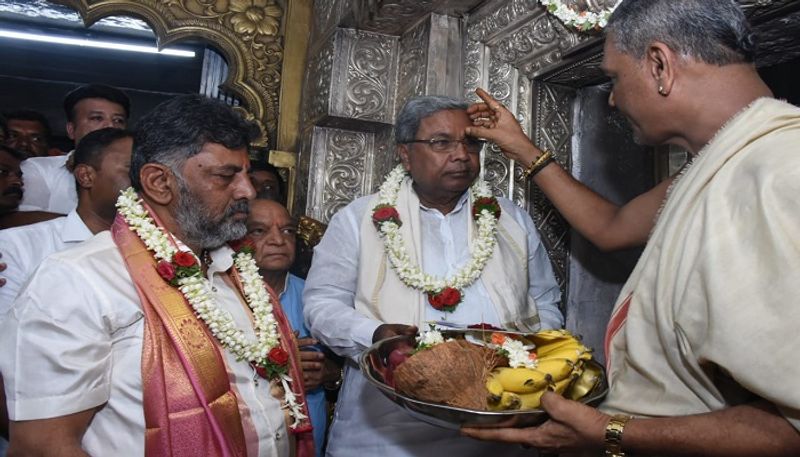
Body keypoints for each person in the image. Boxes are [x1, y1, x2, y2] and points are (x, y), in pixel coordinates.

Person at [462, 1, 800, 455]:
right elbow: (610, 227)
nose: (614, 98)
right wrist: (521, 147)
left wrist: (611, 432)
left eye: (617, 77)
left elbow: (788, 427)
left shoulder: (782, 167)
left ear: (660, 65)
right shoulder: (721, 164)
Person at [0, 95, 315, 456]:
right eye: (226, 176)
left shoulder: (235, 270)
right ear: (159, 182)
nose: (247, 191)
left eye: (245, 173)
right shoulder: (79, 279)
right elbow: (43, 446)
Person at [303, 95, 563, 456]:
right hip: (386, 428)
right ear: (406, 154)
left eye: (471, 142)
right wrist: (375, 335)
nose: (461, 154)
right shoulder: (358, 219)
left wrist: (524, 357)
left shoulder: (511, 220)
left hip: (496, 421)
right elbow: (322, 304)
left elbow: (546, 301)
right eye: (441, 143)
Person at [247, 198, 342, 457]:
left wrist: (329, 375)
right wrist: (278, 365)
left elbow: (343, 370)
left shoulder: (319, 296)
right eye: (259, 230)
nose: (278, 240)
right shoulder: (217, 296)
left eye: (287, 230)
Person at [0, 128, 133, 311]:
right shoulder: (17, 246)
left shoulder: (160, 249)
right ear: (86, 176)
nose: (146, 179)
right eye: (132, 168)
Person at [19, 84, 130, 214]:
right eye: (97, 118)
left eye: (118, 120)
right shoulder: (39, 168)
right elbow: (22, 220)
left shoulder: (141, 175)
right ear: (71, 130)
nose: (110, 126)